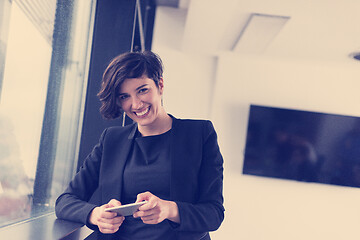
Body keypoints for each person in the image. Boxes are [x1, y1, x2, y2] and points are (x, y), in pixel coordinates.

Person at [55, 51, 224, 240]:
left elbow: (214, 214)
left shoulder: (199, 134)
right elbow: (65, 201)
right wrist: (95, 215)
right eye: (124, 96)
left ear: (160, 85)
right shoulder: (111, 140)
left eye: (142, 90)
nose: (135, 104)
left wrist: (169, 209)